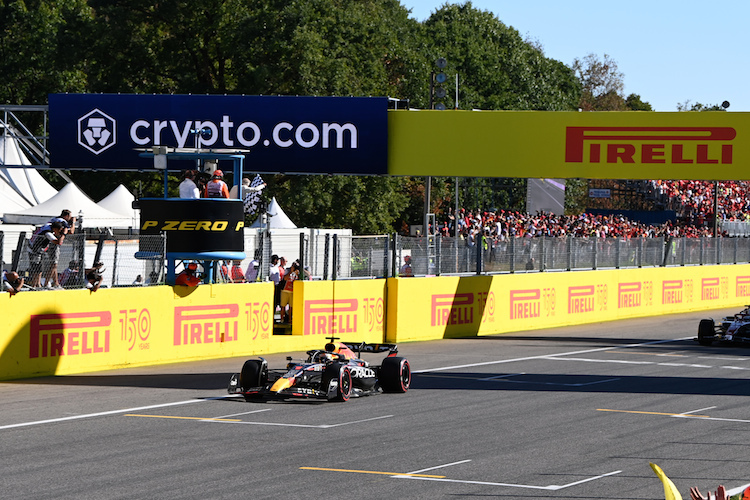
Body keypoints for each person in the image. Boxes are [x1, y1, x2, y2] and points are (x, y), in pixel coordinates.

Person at [28, 220, 65, 288]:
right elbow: (58, 242)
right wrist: (63, 235)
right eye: (59, 230)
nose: (59, 232)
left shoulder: (47, 226)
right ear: (55, 229)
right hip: (34, 251)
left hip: (35, 248)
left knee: (39, 268)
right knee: (36, 268)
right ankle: (34, 285)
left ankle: (38, 284)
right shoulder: (47, 233)